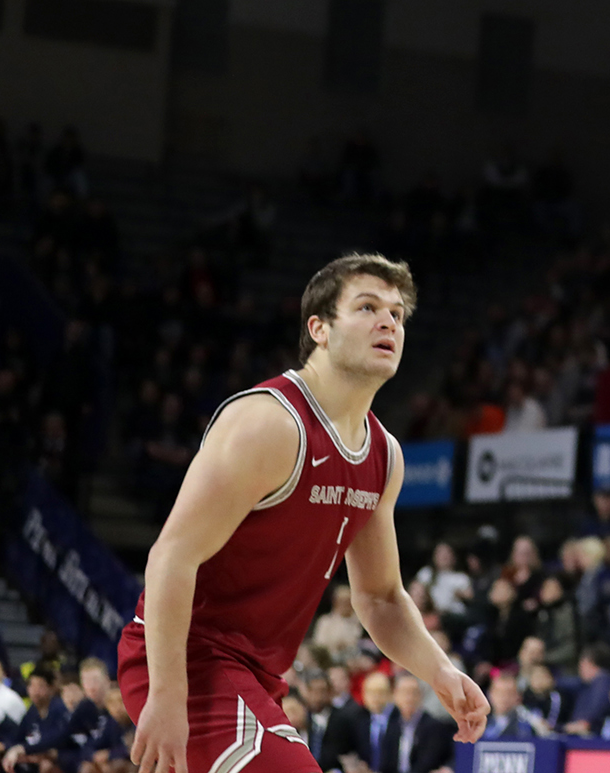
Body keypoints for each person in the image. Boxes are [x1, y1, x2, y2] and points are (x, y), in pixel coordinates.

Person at [120, 255, 489, 773]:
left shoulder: (385, 455)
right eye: (367, 307)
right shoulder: (268, 423)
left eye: (397, 314)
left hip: (259, 675)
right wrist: (165, 696)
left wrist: (441, 671)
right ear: (318, 328)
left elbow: (381, 597)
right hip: (188, 657)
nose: (388, 322)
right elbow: (171, 557)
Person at [378, 676, 454, 773]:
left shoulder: (434, 726)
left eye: (414, 693)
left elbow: (428, 763)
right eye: (404, 692)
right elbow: (384, 764)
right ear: (395, 696)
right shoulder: (391, 725)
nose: (409, 698)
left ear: (421, 696)